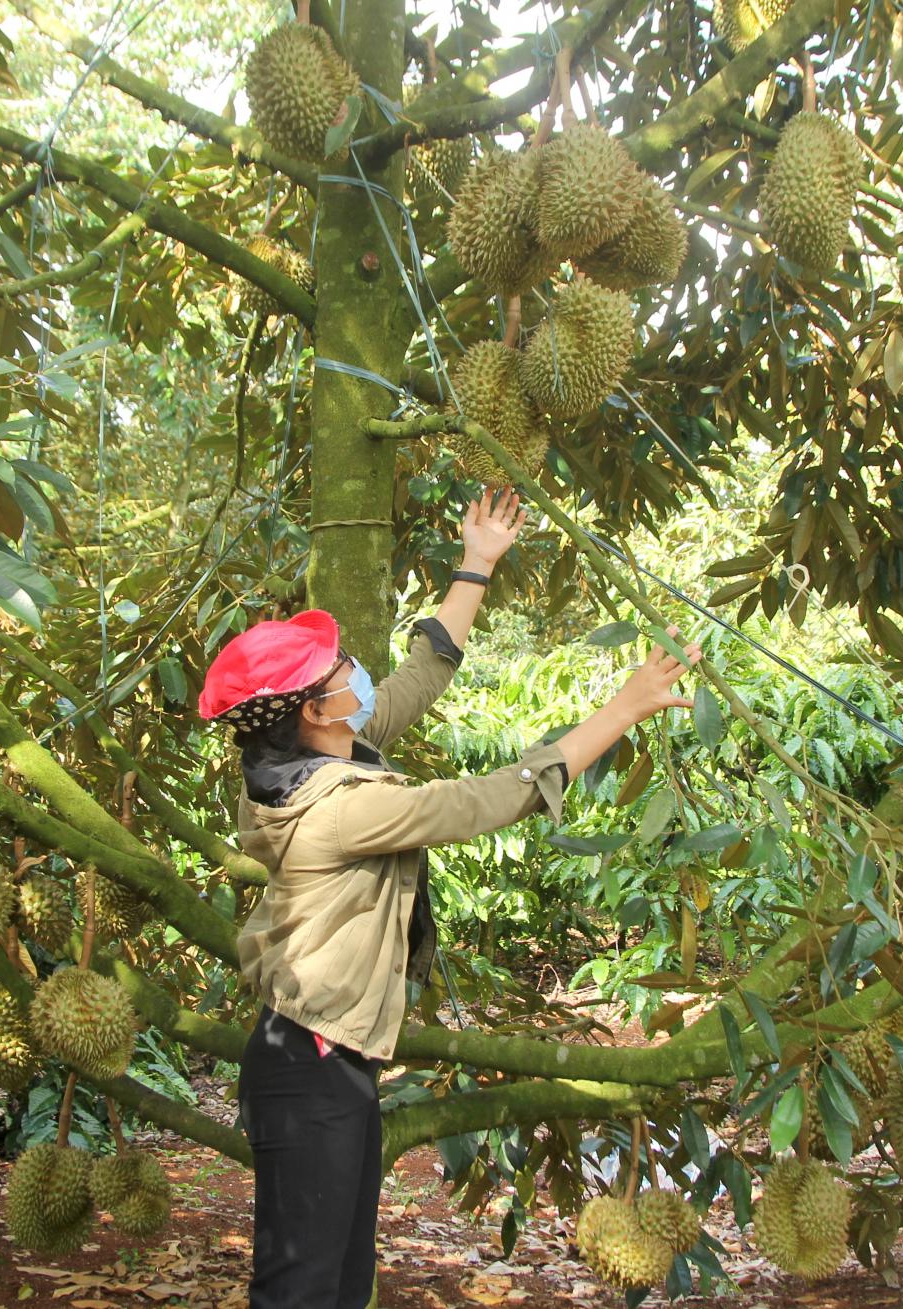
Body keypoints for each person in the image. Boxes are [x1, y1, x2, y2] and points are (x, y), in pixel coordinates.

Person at [196, 489, 703, 1309]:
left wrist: (479, 560)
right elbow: (483, 800)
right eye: (339, 672)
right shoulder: (339, 808)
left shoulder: (331, 752)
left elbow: (421, 671)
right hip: (309, 1066)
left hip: (333, 1058)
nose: (357, 671)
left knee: (342, 1280)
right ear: (313, 710)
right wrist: (624, 707)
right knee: (298, 1289)